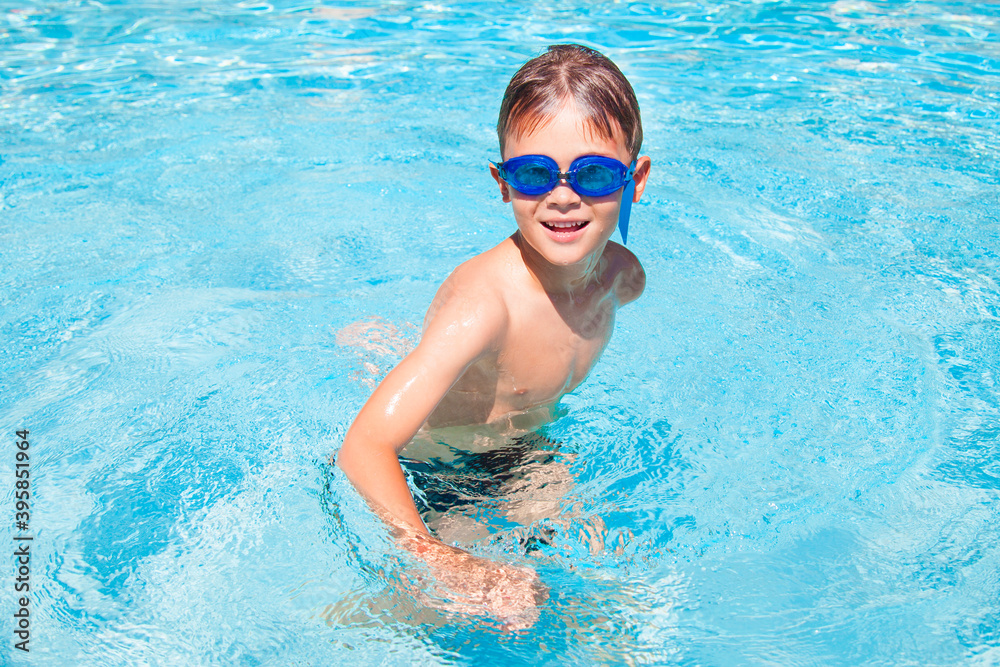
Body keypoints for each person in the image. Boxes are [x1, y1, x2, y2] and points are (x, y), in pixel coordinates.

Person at [335, 44, 652, 628]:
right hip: (441, 469)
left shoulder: (620, 279)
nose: (562, 195)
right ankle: (341, 627)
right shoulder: (485, 306)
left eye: (596, 173)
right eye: (534, 173)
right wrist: (438, 559)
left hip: (524, 450)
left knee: (614, 575)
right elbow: (363, 447)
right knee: (498, 605)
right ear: (502, 183)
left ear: (636, 179)